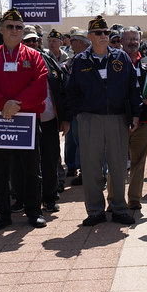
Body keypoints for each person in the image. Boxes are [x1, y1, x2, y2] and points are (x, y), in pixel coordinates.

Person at [0, 9, 49, 230]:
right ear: (1, 29)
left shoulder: (34, 56)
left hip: (26, 122)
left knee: (31, 170)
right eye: (10, 26)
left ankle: (34, 211)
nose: (15, 31)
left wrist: (14, 105)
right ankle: (2, 213)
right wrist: (2, 104)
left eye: (18, 27)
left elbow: (39, 85)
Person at [66, 15, 142, 227]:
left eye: (106, 33)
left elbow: (133, 88)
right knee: (91, 168)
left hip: (117, 118)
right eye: (98, 33)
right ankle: (95, 211)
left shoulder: (121, 58)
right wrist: (78, 114)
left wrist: (135, 114)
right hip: (90, 119)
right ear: (89, 36)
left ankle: (118, 208)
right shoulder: (80, 61)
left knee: (118, 166)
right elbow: (70, 92)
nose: (103, 36)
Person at [115, 27, 147, 210]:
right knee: (116, 162)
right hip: (118, 121)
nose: (132, 42)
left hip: (145, 121)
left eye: (135, 39)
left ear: (140, 40)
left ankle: (134, 198)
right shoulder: (113, 61)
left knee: (139, 163)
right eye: (128, 39)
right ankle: (114, 199)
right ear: (121, 40)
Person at [34, 29, 69, 213]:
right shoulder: (14, 61)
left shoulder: (48, 60)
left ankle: (50, 197)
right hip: (25, 121)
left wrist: (64, 119)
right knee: (26, 164)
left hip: (48, 120)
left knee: (50, 160)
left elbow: (61, 88)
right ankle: (25, 198)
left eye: (35, 40)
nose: (32, 43)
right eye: (28, 40)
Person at [64, 30, 89, 185]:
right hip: (75, 109)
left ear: (81, 42)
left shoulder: (88, 58)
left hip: (85, 109)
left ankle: (85, 172)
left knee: (85, 142)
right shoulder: (73, 60)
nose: (70, 43)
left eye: (73, 40)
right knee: (75, 140)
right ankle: (78, 168)